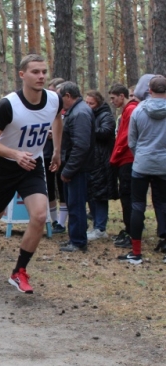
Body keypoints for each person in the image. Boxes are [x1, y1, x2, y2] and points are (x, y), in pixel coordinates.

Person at [0, 54, 63, 293]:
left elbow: (56, 119)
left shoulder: (54, 99)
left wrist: (56, 149)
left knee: (38, 215)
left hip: (32, 165)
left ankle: (19, 271)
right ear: (22, 75)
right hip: (4, 166)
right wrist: (15, 154)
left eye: (44, 71)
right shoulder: (8, 105)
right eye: (35, 72)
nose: (41, 76)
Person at [117, 75, 166, 264]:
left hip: (141, 163)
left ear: (149, 90)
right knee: (163, 204)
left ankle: (136, 253)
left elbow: (132, 141)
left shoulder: (138, 111)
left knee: (137, 205)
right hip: (163, 164)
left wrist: (141, 156)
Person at [57, 81, 95, 252]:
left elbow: (81, 146)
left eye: (60, 97)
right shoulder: (76, 111)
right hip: (74, 167)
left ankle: (78, 241)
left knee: (76, 204)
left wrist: (69, 169)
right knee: (73, 204)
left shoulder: (80, 113)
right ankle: (75, 238)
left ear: (67, 96)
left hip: (78, 169)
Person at [109, 83, 138, 248]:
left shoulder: (131, 110)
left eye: (114, 98)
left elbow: (126, 137)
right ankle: (130, 229)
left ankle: (132, 232)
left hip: (128, 159)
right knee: (126, 196)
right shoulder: (125, 111)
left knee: (128, 196)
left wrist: (115, 156)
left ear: (122, 96)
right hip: (124, 159)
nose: (112, 101)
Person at [84, 90, 117, 241]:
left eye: (91, 103)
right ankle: (97, 225)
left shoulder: (106, 116)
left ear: (98, 104)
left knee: (100, 195)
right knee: (92, 193)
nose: (88, 106)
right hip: (92, 160)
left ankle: (100, 228)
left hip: (102, 161)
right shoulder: (92, 115)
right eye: (86, 103)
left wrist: (88, 129)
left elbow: (105, 132)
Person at [45, 78, 66, 232]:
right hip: (46, 153)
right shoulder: (45, 108)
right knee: (49, 187)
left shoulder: (68, 110)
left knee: (63, 186)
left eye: (55, 91)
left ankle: (62, 222)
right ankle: (54, 221)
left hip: (63, 154)